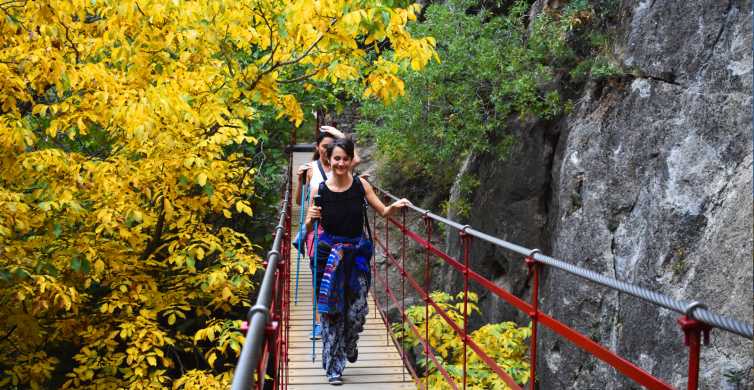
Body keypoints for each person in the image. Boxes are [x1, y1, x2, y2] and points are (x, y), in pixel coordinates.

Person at [304, 138, 410, 385]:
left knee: (357, 311)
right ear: (329, 160)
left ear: (352, 160)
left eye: (345, 158)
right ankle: (333, 368)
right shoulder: (319, 189)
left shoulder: (361, 185)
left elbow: (382, 211)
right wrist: (310, 218)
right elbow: (310, 227)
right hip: (329, 255)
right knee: (332, 313)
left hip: (357, 255)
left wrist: (395, 206)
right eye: (336, 158)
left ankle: (350, 344)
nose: (340, 163)